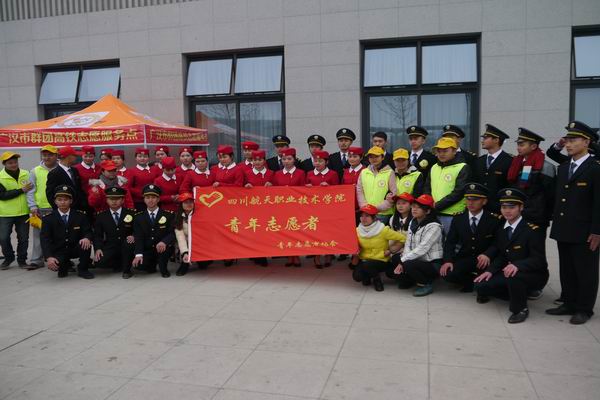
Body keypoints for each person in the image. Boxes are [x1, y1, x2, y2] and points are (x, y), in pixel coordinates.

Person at [545, 121, 600, 324]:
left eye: (573, 140)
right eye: (567, 140)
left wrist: (597, 231)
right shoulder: (565, 167)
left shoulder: (595, 168)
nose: (568, 144)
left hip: (585, 230)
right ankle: (568, 302)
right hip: (564, 227)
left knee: (585, 271)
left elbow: (598, 203)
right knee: (567, 269)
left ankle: (584, 309)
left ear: (586, 142)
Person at [474, 188, 548, 324]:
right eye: (504, 207)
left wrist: (517, 265)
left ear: (521, 208)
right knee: (480, 285)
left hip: (532, 273)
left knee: (514, 277)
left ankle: (520, 309)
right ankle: (518, 294)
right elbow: (502, 254)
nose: (507, 211)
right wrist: (490, 271)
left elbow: (539, 260)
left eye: (512, 207)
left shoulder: (532, 230)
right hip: (509, 271)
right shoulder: (502, 228)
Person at [440, 183, 503, 292]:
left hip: (486, 259)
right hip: (466, 257)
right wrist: (448, 260)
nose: (470, 202)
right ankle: (470, 282)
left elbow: (498, 242)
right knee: (447, 273)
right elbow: (450, 242)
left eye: (475, 199)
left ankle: (480, 284)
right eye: (468, 199)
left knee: (489, 283)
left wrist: (488, 254)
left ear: (484, 201)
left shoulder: (494, 219)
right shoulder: (459, 218)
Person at [392, 194, 444, 296]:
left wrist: (403, 261)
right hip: (418, 260)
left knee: (407, 264)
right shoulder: (413, 221)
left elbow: (422, 248)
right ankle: (411, 280)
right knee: (395, 260)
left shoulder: (434, 226)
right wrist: (402, 259)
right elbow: (408, 243)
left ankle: (426, 284)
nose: (414, 209)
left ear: (427, 211)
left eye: (419, 207)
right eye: (413, 206)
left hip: (432, 263)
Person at [506, 127, 556, 233]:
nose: (518, 148)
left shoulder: (545, 166)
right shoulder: (516, 163)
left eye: (522, 145)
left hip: (537, 217)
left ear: (533, 146)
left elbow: (550, 194)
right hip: (518, 215)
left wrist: (545, 214)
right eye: (518, 144)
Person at [41, 185, 94, 279]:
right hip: (59, 250)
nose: (62, 202)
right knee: (58, 269)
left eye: (66, 199)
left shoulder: (80, 216)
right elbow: (45, 239)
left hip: (75, 248)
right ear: (55, 201)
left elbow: (88, 231)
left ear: (71, 201)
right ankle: (64, 266)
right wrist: (49, 257)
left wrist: (87, 238)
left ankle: (83, 269)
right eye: (59, 199)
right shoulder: (48, 219)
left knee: (86, 243)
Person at [353, 204, 406, 291]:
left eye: (367, 216)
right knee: (357, 277)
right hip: (364, 259)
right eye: (361, 216)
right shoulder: (357, 231)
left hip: (381, 260)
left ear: (374, 218)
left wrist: (391, 250)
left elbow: (403, 238)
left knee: (368, 265)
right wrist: (355, 253)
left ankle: (377, 280)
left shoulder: (383, 230)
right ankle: (369, 275)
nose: (363, 218)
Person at [423, 137, 470, 234]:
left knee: (451, 242)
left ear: (454, 151)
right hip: (433, 213)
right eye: (439, 151)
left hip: (452, 214)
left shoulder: (462, 167)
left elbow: (459, 192)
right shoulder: (434, 167)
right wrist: (429, 203)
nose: (441, 154)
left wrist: (438, 205)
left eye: (445, 151)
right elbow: (427, 187)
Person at [132, 184, 175, 278]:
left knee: (163, 258)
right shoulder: (138, 217)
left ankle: (163, 267)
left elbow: (172, 233)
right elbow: (139, 236)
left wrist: (164, 242)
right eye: (147, 197)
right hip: (148, 248)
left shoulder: (168, 215)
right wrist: (138, 254)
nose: (150, 200)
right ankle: (152, 265)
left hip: (163, 248)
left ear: (158, 199)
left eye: (153, 197)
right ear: (144, 200)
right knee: (139, 266)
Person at [93, 187, 136, 278]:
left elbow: (138, 230)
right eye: (111, 199)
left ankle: (127, 270)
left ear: (123, 200)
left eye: (117, 199)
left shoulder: (131, 214)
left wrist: (133, 236)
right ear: (107, 200)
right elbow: (98, 235)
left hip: (127, 245)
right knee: (99, 262)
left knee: (129, 245)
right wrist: (98, 248)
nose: (114, 201)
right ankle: (119, 263)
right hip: (111, 245)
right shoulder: (101, 216)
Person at [272, 147, 306, 267]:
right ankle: (289, 255)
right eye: (284, 159)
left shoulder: (300, 173)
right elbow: (274, 191)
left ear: (294, 159)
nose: (286, 161)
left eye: (289, 159)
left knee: (296, 231)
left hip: (296, 207)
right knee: (285, 232)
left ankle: (296, 255)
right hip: (283, 208)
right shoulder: (277, 174)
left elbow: (303, 190)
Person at [306, 150, 339, 268]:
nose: (317, 163)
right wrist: (307, 187)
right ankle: (317, 256)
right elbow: (303, 192)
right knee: (315, 233)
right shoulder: (309, 173)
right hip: (313, 209)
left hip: (328, 209)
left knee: (328, 232)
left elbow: (338, 192)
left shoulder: (333, 174)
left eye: (320, 161)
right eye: (315, 161)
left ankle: (328, 255)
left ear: (326, 162)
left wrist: (329, 187)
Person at [0, 151, 33, 270]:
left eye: (15, 162)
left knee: (23, 238)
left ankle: (22, 260)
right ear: (4, 164)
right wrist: (21, 190)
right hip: (5, 213)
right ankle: (9, 257)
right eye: (10, 163)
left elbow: (32, 190)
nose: (14, 165)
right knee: (3, 238)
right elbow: (2, 195)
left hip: (23, 212)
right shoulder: (0, 177)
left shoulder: (26, 173)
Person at [28, 145, 59, 269]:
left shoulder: (61, 169)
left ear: (56, 156)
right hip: (40, 208)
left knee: (58, 235)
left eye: (50, 155)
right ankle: (36, 260)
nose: (47, 157)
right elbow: (30, 190)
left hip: (57, 207)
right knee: (38, 235)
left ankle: (58, 258)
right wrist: (32, 206)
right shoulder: (35, 171)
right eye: (44, 155)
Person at [243, 149, 274, 268]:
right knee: (254, 231)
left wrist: (272, 185)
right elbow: (240, 189)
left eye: (260, 160)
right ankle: (256, 254)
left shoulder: (271, 173)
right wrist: (245, 186)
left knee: (264, 232)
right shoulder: (247, 173)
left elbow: (278, 190)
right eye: (255, 160)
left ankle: (263, 254)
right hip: (252, 208)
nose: (257, 162)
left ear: (264, 160)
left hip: (267, 208)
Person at [473, 124, 513, 213]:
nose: (482, 141)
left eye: (486, 138)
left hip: (498, 209)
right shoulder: (479, 160)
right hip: (480, 208)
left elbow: (510, 185)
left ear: (496, 140)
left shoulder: (509, 160)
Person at [356, 146, 397, 225]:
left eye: (376, 156)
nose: (374, 159)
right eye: (371, 157)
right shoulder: (364, 172)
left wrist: (376, 208)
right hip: (366, 212)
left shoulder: (389, 172)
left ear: (382, 157)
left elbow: (393, 193)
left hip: (383, 213)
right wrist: (364, 207)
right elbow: (359, 190)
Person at [46, 146, 87, 212]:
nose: (76, 157)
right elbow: (50, 194)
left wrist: (83, 204)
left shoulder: (74, 170)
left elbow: (79, 189)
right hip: (63, 210)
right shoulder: (54, 173)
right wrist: (59, 211)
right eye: (74, 155)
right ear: (68, 157)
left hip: (78, 210)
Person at [174, 192, 198, 276]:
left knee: (204, 265)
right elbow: (180, 237)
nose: (189, 204)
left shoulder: (199, 215)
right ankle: (184, 264)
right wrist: (185, 252)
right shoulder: (178, 218)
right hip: (186, 243)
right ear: (181, 204)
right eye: (186, 202)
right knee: (185, 254)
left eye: (191, 202)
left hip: (199, 242)